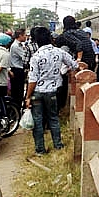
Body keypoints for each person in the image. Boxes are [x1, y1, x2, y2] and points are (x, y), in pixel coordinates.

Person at [25, 27, 80, 156]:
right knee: (53, 118)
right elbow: (74, 65)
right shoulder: (59, 52)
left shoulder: (35, 56)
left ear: (36, 41)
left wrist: (28, 96)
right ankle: (58, 145)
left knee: (37, 121)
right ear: (50, 38)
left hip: (37, 92)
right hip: (52, 92)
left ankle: (40, 150)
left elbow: (32, 79)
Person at [9, 28, 27, 108]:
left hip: (19, 70)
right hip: (17, 70)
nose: (26, 37)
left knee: (19, 91)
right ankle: (16, 108)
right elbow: (24, 57)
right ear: (20, 36)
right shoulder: (16, 46)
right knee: (17, 92)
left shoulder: (19, 45)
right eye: (25, 35)